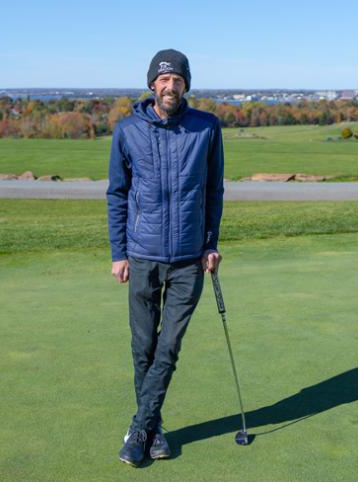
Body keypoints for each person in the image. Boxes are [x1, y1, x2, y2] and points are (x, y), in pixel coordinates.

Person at [106, 49, 225, 467]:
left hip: (189, 259)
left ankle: (139, 429)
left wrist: (211, 243)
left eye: (177, 79)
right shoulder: (127, 130)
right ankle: (155, 429)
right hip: (141, 257)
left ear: (186, 84)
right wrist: (118, 252)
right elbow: (117, 194)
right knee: (144, 348)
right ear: (151, 84)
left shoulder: (207, 128)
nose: (170, 85)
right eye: (163, 79)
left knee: (168, 348)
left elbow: (213, 191)